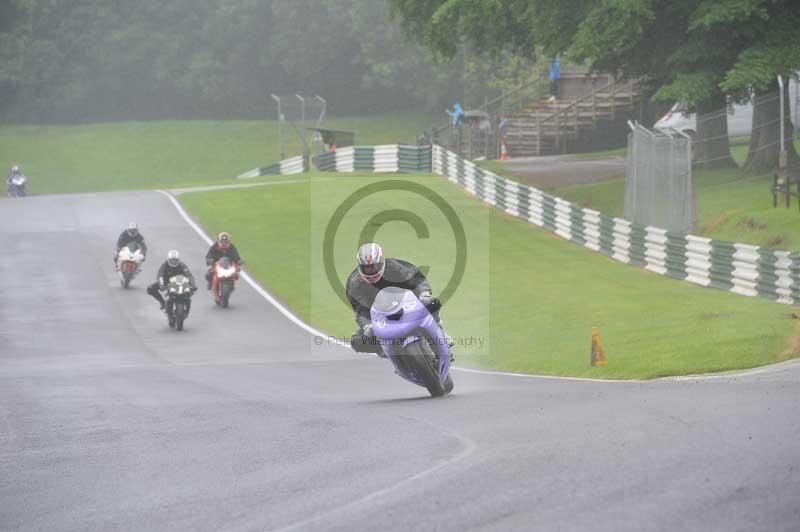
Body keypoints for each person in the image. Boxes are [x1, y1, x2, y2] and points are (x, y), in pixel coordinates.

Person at [345, 242, 453, 357]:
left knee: (432, 304)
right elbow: (359, 310)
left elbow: (417, 280)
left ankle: (440, 334)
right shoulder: (354, 284)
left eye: (373, 266)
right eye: (366, 268)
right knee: (356, 341)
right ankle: (385, 351)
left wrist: (424, 293)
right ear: (359, 266)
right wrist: (367, 325)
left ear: (381, 262)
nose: (371, 271)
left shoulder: (395, 267)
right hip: (380, 317)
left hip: (407, 306)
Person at [146, 250, 197, 314]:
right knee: (150, 288)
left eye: (175, 260)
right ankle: (162, 302)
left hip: (181, 283)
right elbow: (160, 275)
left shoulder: (182, 265)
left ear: (178, 260)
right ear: (168, 259)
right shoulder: (164, 265)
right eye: (172, 260)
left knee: (188, 294)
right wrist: (162, 285)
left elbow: (189, 275)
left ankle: (186, 308)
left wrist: (193, 285)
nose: (173, 262)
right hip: (167, 282)